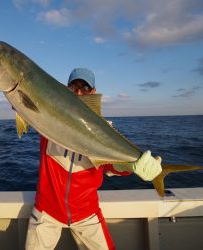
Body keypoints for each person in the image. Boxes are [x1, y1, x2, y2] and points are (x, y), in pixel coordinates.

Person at [25, 68, 162, 250]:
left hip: (87, 215)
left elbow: (110, 166)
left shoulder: (105, 129)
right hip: (46, 212)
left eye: (85, 88)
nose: (79, 92)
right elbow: (27, 100)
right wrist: (0, 73)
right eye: (74, 87)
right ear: (66, 89)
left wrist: (132, 166)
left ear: (93, 93)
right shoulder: (50, 116)